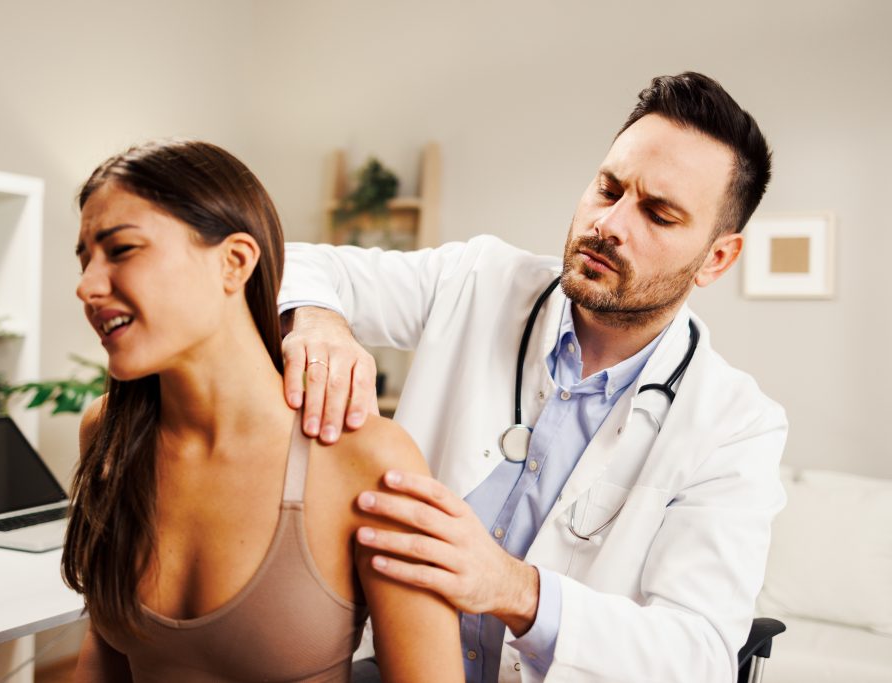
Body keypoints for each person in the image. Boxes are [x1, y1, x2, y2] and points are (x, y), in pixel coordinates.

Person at [278, 73, 788, 682]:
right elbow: (289, 261)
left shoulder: (736, 424)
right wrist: (318, 322)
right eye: (609, 188)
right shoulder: (479, 280)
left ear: (716, 259)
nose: (611, 224)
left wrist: (514, 589)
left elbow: (697, 652)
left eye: (658, 213)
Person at [62, 139, 464, 682]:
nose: (87, 286)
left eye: (122, 250)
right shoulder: (107, 434)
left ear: (234, 262)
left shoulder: (366, 459)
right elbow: (106, 656)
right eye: (86, 259)